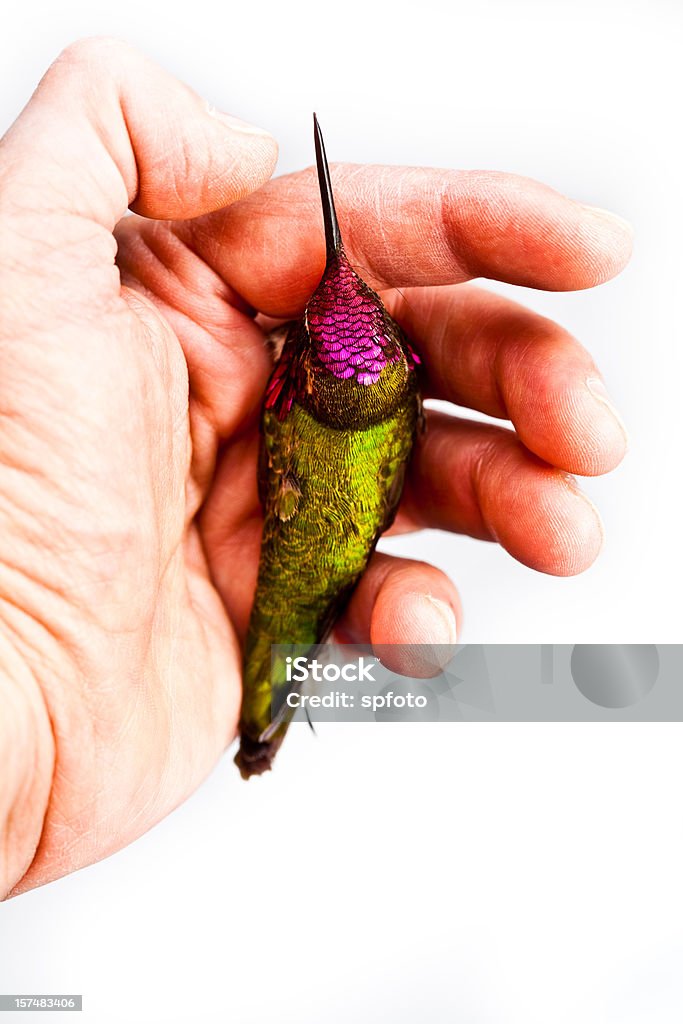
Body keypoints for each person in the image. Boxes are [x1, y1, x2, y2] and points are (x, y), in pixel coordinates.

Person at [0, 39, 631, 899]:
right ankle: (264, 724)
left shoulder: (300, 408)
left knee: (306, 625)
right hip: (295, 556)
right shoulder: (380, 393)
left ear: (287, 391)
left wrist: (36, 686)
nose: (350, 286)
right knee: (303, 624)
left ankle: (263, 722)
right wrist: (33, 657)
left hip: (302, 555)